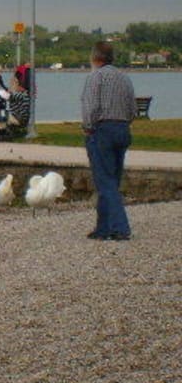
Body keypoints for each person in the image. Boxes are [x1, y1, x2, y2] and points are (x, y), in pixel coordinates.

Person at [81, 41, 136, 241]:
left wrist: (88, 127)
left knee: (104, 181)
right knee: (113, 180)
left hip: (102, 130)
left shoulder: (95, 77)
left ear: (95, 57)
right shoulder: (124, 78)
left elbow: (91, 107)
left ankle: (120, 228)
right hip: (123, 129)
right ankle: (103, 227)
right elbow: (132, 109)